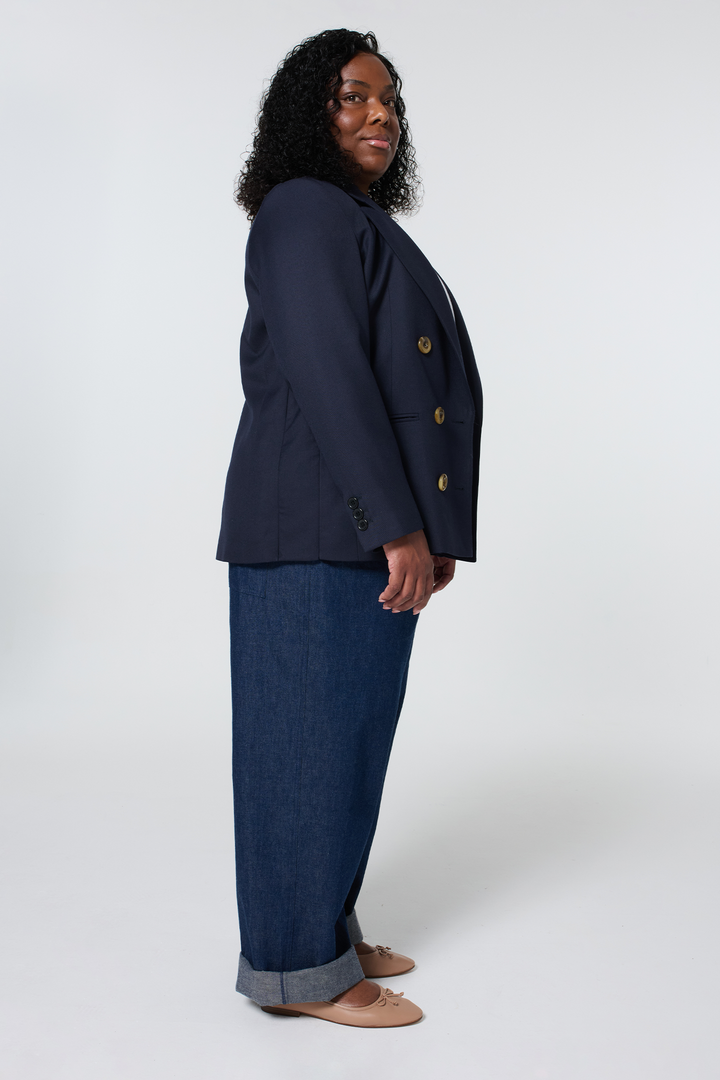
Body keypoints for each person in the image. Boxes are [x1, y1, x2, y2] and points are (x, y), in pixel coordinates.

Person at [217, 28, 483, 1028]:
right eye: (352, 97)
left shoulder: (350, 216)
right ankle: (296, 968)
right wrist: (399, 526)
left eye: (390, 101)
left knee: (350, 738)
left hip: (357, 530)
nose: (379, 114)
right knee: (301, 744)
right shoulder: (300, 212)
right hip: (315, 528)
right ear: (306, 114)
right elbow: (336, 381)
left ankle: (320, 924)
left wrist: (427, 527)